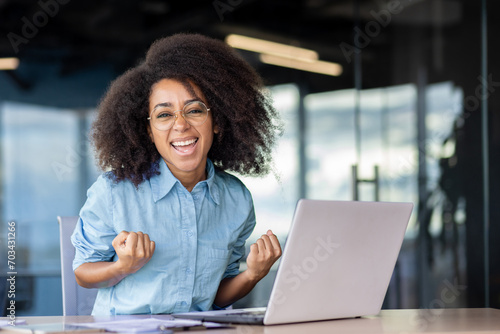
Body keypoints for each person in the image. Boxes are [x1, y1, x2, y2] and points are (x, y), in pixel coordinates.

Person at [71, 33, 283, 315]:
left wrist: (253, 274)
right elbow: (82, 272)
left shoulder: (236, 199)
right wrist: (122, 267)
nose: (180, 125)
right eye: (164, 115)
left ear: (217, 121)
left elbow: (218, 296)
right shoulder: (113, 192)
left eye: (194, 110)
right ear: (148, 130)